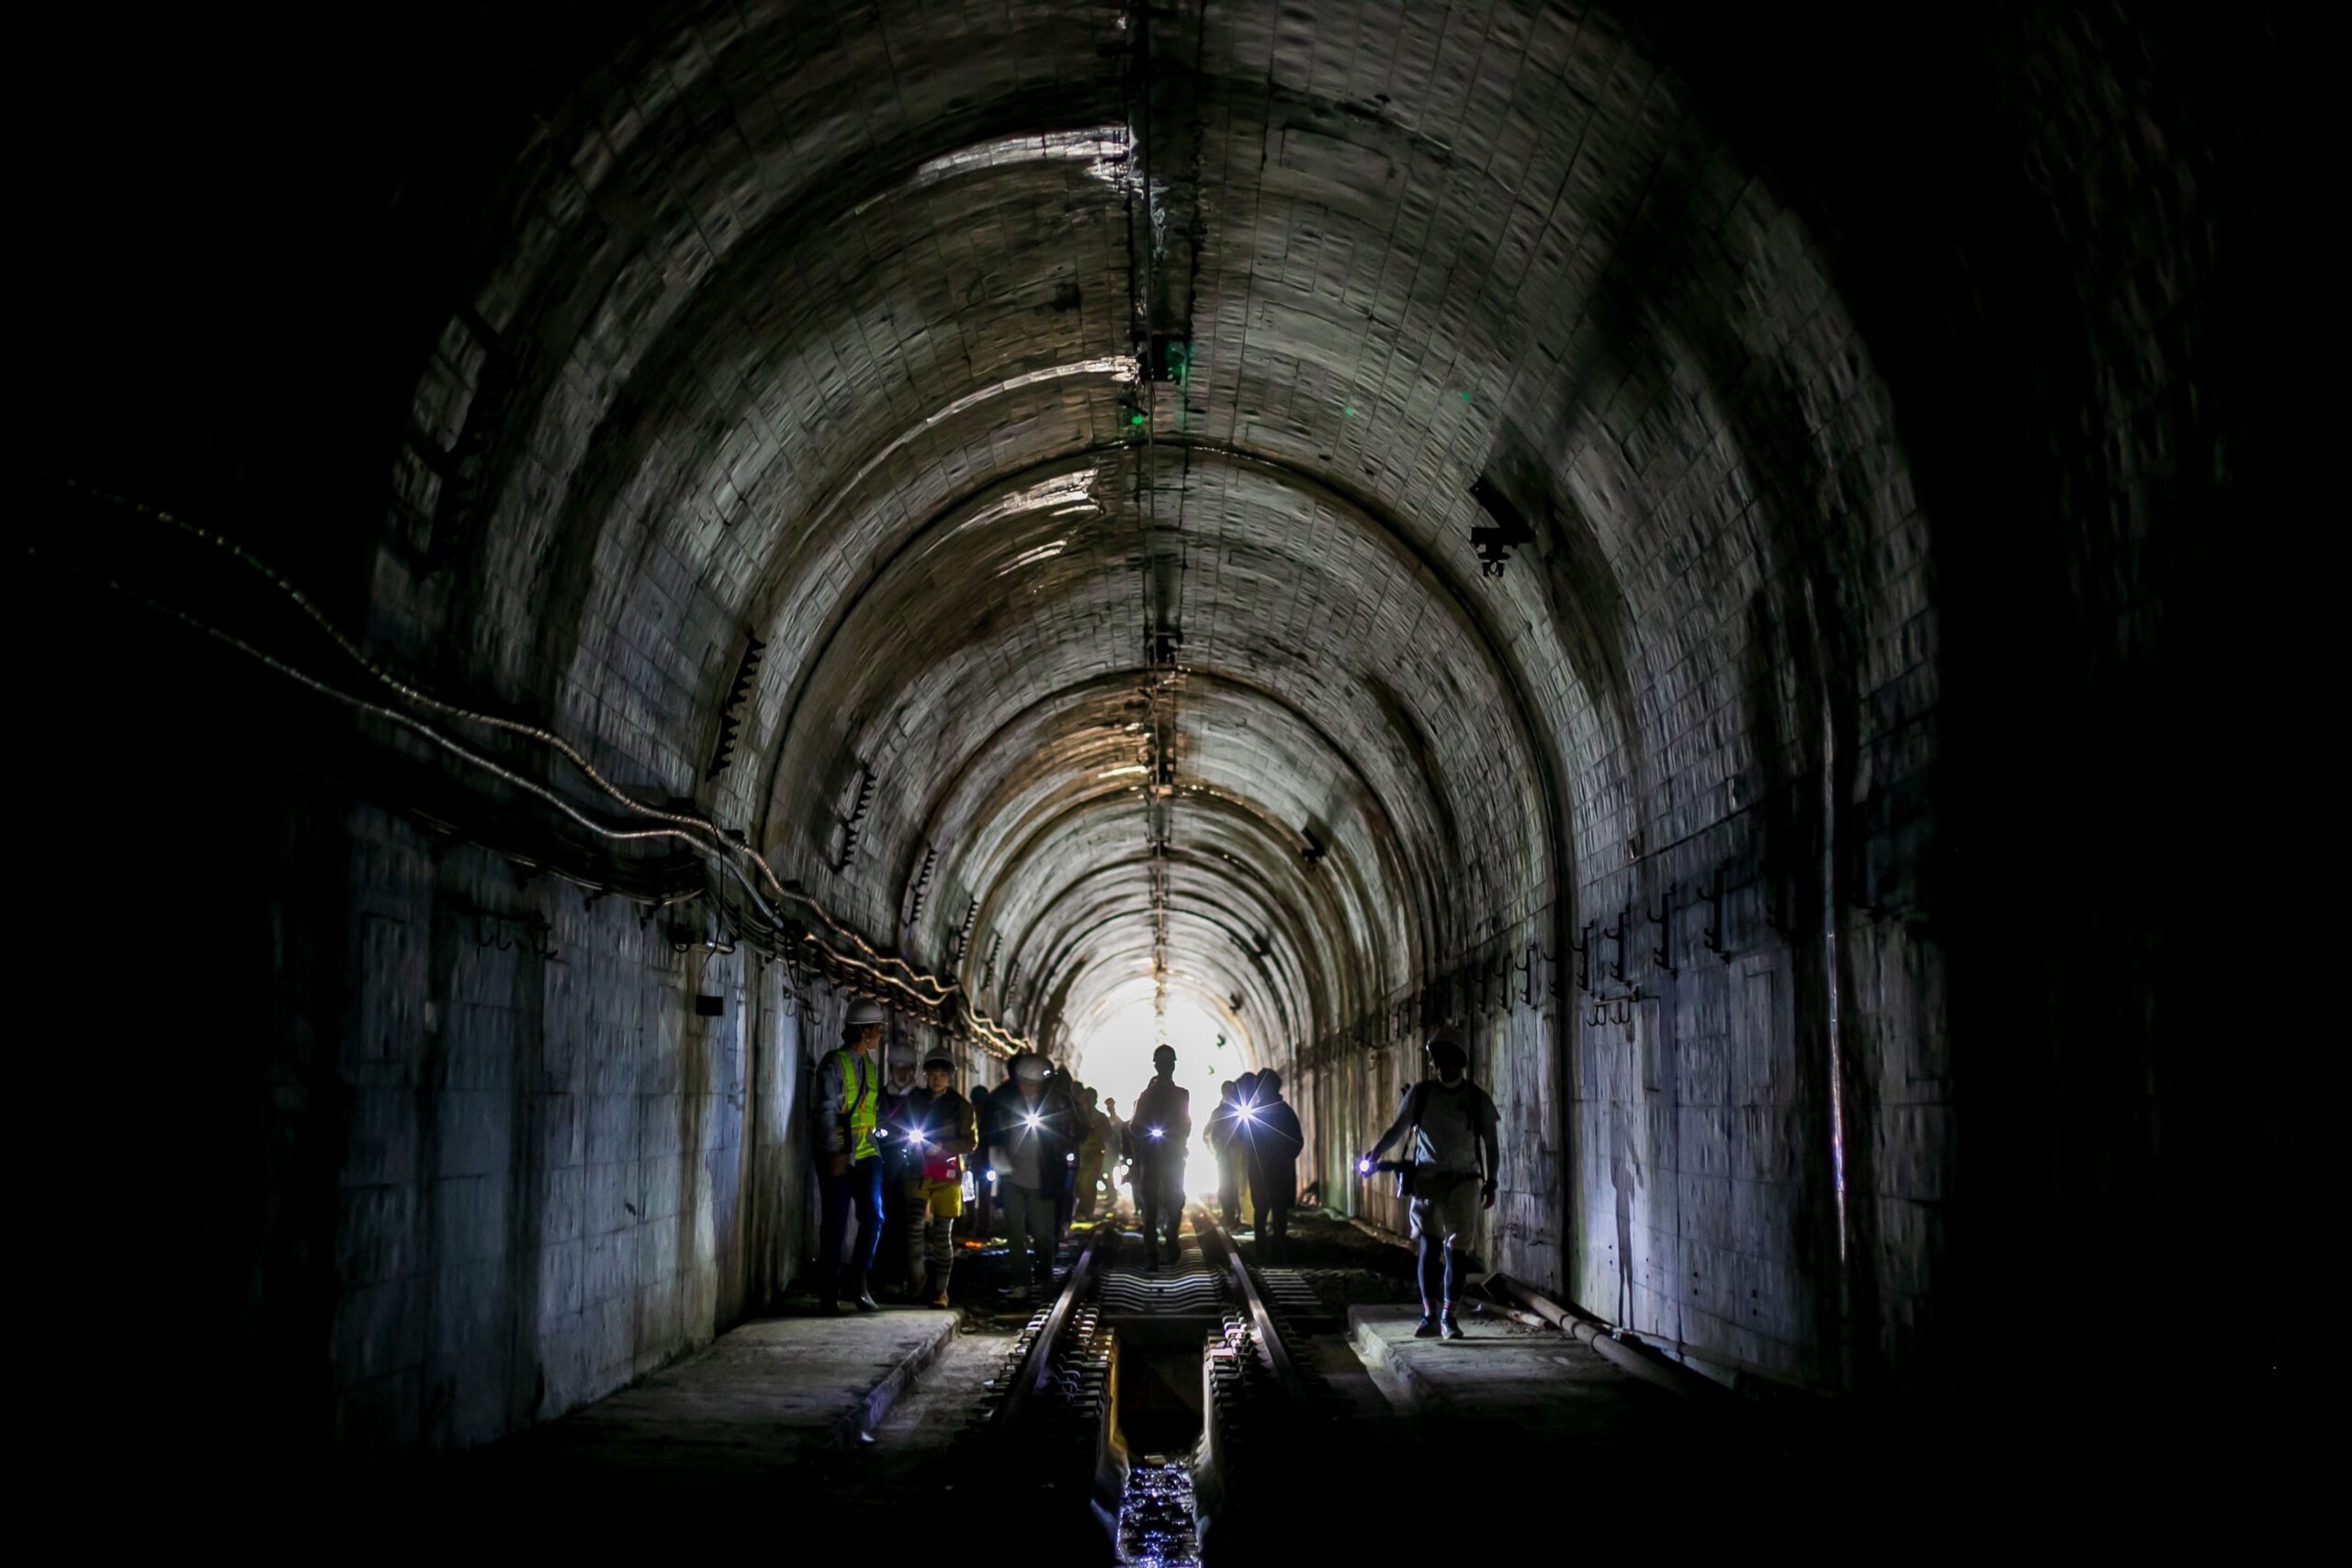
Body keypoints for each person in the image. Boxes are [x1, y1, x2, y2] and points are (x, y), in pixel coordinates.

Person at [1362, 1034, 1499, 1340]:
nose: (1443, 1070)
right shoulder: (1421, 1094)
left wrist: (1492, 1181)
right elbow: (1397, 1129)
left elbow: (1491, 1142)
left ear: (1460, 1066)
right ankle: (1430, 1315)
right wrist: (1375, 1153)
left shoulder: (1477, 1099)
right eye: (1438, 1064)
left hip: (1465, 1181)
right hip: (1427, 1180)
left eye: (1448, 1064)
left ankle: (1449, 1315)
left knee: (1457, 1253)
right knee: (1429, 1247)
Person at [812, 997, 889, 1313]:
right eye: (877, 1030)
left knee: (874, 1215)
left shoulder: (870, 1067)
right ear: (865, 1031)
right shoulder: (833, 1063)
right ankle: (829, 1291)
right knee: (835, 1222)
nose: (879, 1036)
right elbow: (828, 1110)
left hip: (868, 1152)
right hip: (839, 1153)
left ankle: (859, 1283)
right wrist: (835, 1153)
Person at [982, 1051, 1073, 1303]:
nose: (1027, 1088)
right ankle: (1020, 1282)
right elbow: (989, 1132)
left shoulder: (1055, 1105)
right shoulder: (1003, 1101)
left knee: (1043, 1235)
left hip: (1041, 1182)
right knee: (1015, 1233)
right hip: (1011, 1178)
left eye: (1033, 1084)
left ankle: (1044, 1277)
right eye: (1023, 1083)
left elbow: (1074, 1130)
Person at [902, 1050, 978, 1307]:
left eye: (941, 1076)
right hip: (917, 1171)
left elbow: (971, 1142)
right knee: (913, 1229)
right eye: (932, 1075)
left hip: (947, 1174)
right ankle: (915, 1282)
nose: (936, 1080)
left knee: (941, 1235)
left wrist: (943, 1146)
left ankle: (940, 1291)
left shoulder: (961, 1107)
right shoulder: (914, 1099)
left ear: (950, 1078)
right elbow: (899, 1125)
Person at [1130, 1044, 1192, 1268]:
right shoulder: (1147, 1095)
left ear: (1173, 1065)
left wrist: (1180, 1136)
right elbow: (1135, 1125)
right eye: (1162, 1063)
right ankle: (1151, 1251)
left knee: (1175, 1200)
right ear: (1156, 1065)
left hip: (1173, 1155)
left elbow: (1186, 1122)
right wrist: (1144, 1134)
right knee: (1150, 1203)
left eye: (1168, 1062)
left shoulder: (1182, 1094)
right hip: (1151, 1155)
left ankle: (1172, 1236)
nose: (1165, 1067)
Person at [1239, 1068, 1305, 1260]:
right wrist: (1284, 1155)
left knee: (1265, 1209)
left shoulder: (1256, 1114)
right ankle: (1276, 1247)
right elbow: (1297, 1141)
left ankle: (1265, 1248)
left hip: (1266, 1169)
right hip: (1277, 1169)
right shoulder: (1285, 1113)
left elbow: (1248, 1142)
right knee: (1276, 1210)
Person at [874, 1043, 922, 1294]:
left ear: (913, 1069)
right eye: (897, 1068)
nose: (901, 1073)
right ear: (890, 1068)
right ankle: (882, 1275)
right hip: (884, 1163)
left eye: (906, 1069)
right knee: (882, 1220)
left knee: (906, 1224)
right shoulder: (881, 1096)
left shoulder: (920, 1098)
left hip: (912, 1167)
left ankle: (901, 1277)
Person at [1205, 1078, 1243, 1230]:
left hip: (1234, 1154)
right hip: (1225, 1154)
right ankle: (1230, 1216)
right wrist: (1214, 1149)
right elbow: (1207, 1133)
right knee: (1227, 1186)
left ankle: (1235, 1216)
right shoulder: (1220, 1112)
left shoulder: (1235, 1111)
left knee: (1235, 1186)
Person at [1073, 1086, 1111, 1224]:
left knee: (1090, 1182)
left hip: (1094, 1152)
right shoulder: (1079, 1116)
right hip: (1081, 1152)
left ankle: (1086, 1211)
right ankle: (1081, 1210)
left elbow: (1108, 1133)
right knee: (1081, 1183)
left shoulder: (1100, 1117)